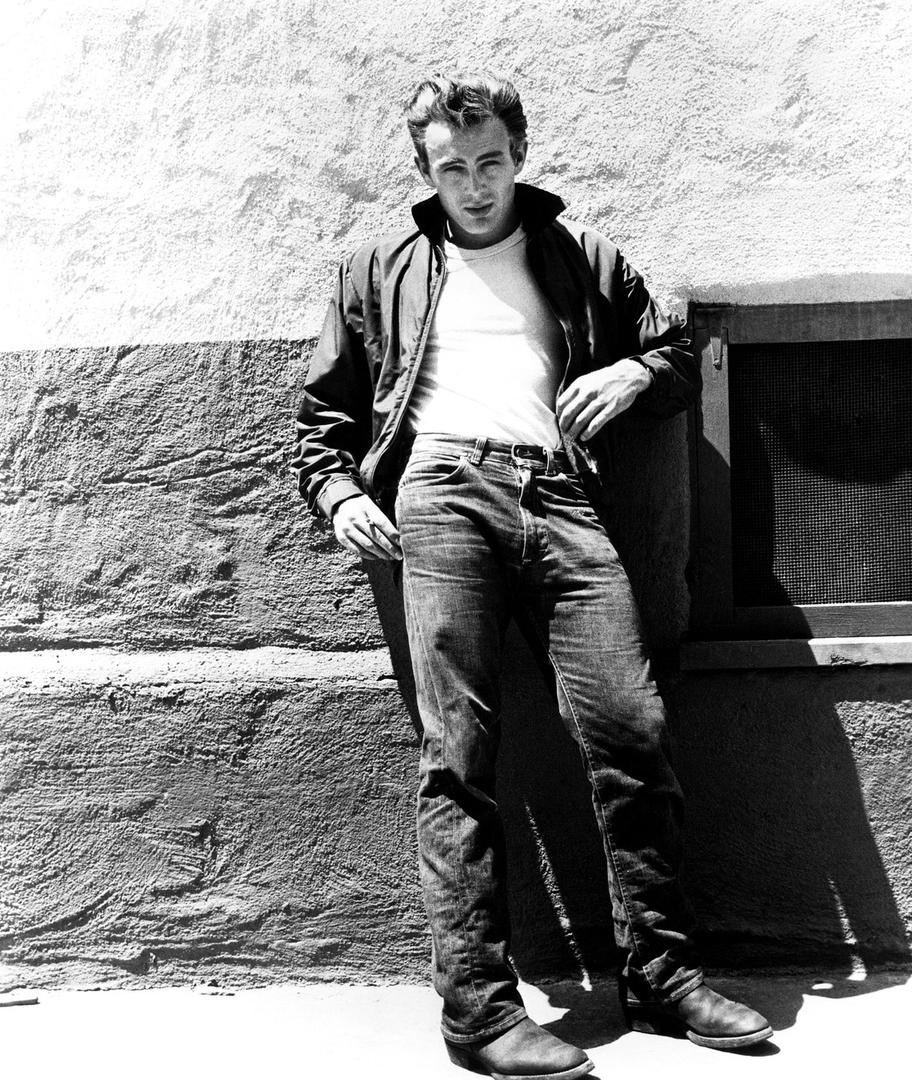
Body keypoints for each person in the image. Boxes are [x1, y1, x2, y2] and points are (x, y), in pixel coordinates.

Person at [293, 72, 772, 1080]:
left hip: (557, 493)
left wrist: (635, 371)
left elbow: (678, 355)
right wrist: (337, 494)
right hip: (439, 492)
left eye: (490, 162)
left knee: (629, 725)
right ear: (425, 171)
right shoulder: (377, 267)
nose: (473, 185)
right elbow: (322, 417)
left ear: (519, 156)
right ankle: (478, 1010)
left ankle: (659, 974)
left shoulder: (581, 255)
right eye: (451, 168)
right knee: (458, 753)